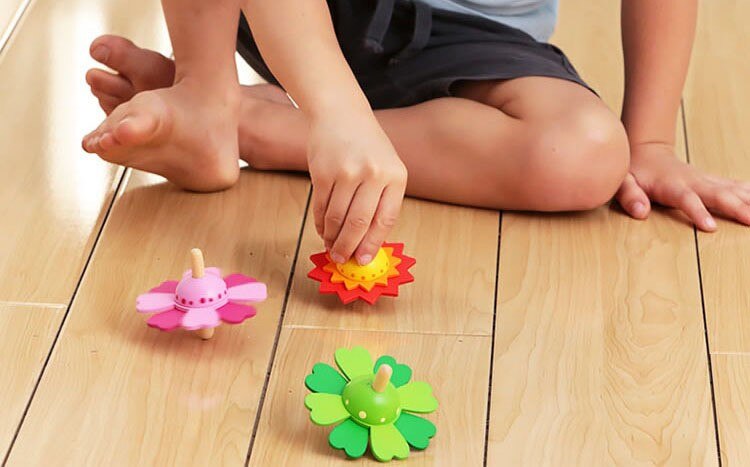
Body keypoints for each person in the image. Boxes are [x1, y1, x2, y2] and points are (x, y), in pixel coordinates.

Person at [81, 0, 750, 267]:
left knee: (584, 153)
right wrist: (335, 109)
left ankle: (249, 123)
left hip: (471, 40)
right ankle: (204, 87)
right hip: (298, 14)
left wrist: (652, 140)